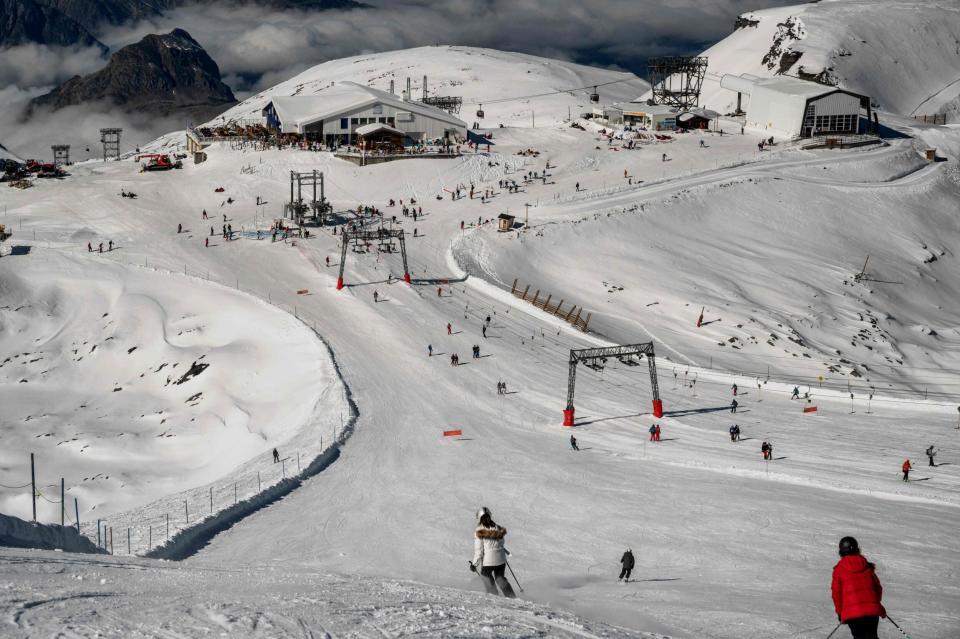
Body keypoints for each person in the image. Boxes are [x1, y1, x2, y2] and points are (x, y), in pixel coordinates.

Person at [831, 536, 886, 639]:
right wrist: (873, 603)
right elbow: (878, 588)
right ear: (857, 549)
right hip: (871, 614)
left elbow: (836, 594)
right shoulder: (867, 566)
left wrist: (840, 612)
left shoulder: (839, 570)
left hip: (853, 615)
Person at [470, 507, 516, 598]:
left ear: (479, 518)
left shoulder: (479, 530)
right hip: (501, 559)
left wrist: (474, 564)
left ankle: (494, 596)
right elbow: (502, 542)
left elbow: (479, 551)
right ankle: (512, 597)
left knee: (485, 576)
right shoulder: (498, 527)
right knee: (500, 578)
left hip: (488, 561)